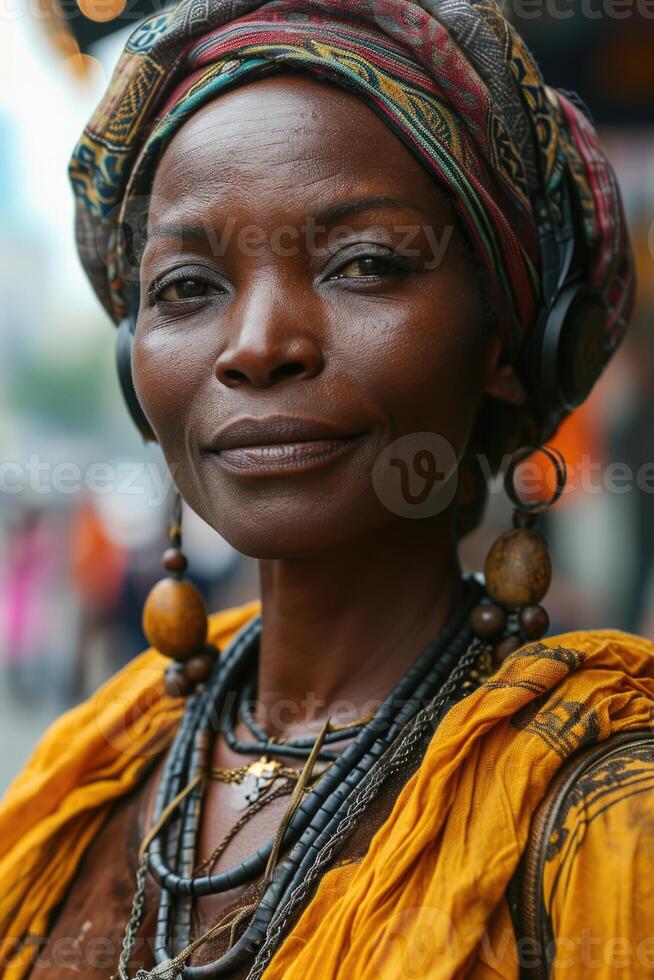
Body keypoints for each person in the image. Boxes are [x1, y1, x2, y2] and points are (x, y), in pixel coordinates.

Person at [1, 2, 653, 978]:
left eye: (366, 264)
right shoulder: (93, 769)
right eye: (187, 287)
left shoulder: (608, 812)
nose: (259, 344)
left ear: (511, 346)